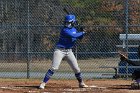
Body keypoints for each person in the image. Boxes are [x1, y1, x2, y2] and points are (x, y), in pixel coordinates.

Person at [39, 14, 95, 89]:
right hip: (59, 50)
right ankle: (43, 83)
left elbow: (80, 37)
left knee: (76, 68)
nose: (67, 24)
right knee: (54, 67)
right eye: (66, 22)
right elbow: (74, 36)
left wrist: (81, 31)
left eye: (69, 22)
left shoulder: (74, 29)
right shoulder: (64, 30)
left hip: (69, 51)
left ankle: (81, 83)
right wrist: (83, 32)